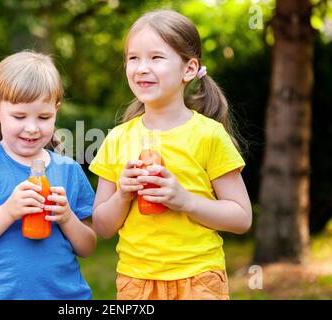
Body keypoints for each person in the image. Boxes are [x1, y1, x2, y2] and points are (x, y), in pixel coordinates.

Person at [89, 9, 252, 300]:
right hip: (137, 282)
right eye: (133, 58)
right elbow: (102, 226)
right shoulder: (117, 139)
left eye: (156, 57)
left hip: (199, 278)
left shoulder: (208, 135)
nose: (140, 67)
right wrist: (122, 195)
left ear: (189, 69)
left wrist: (184, 200)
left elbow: (241, 218)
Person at [0, 51, 96, 300]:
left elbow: (88, 247)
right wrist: (8, 211)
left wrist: (66, 218)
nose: (32, 127)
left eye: (44, 117)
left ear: (55, 111)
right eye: (19, 116)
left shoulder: (69, 170)